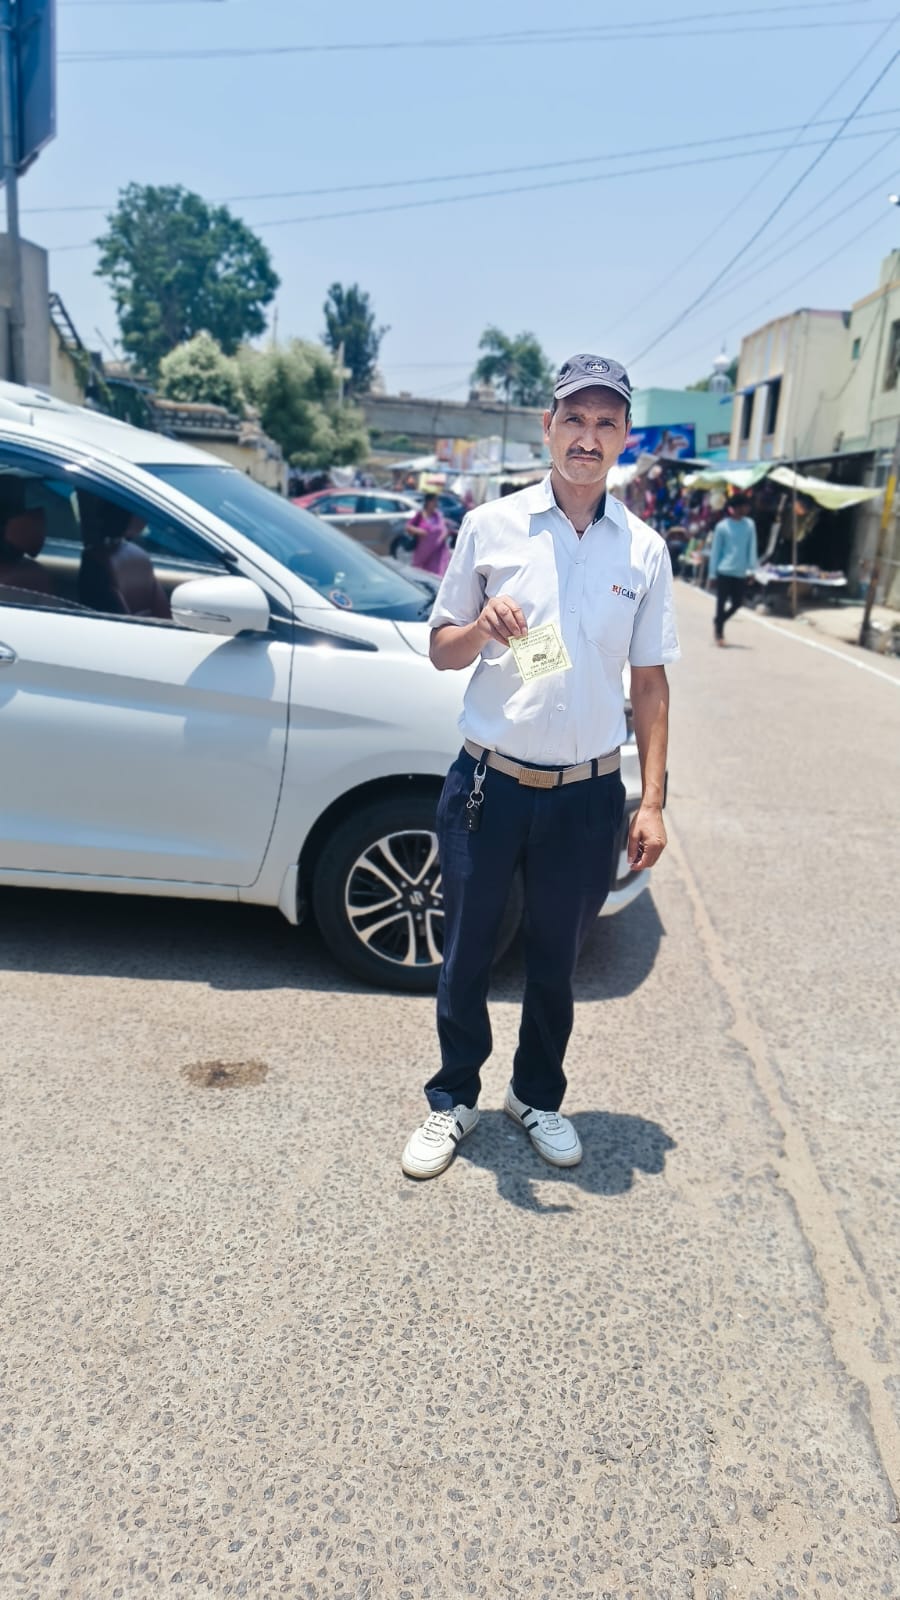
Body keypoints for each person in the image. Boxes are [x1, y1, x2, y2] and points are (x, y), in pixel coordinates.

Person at [401, 354, 680, 1180]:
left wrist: (651, 801)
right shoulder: (492, 527)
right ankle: (454, 1099)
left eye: (605, 423)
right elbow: (442, 651)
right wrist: (480, 628)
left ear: (624, 438)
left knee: (557, 959)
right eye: (574, 419)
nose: (587, 438)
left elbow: (651, 682)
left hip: (586, 794)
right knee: (467, 951)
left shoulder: (645, 550)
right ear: (548, 427)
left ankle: (535, 1097)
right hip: (488, 785)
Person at [708, 491, 758, 646]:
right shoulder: (722, 527)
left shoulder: (749, 525)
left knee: (738, 603)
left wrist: (752, 570)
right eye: (744, 506)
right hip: (724, 571)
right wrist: (712, 574)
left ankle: (719, 620)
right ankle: (719, 633)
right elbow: (716, 551)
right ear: (736, 508)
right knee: (721, 603)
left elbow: (752, 548)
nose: (746, 509)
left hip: (740, 571)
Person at [405, 492, 451, 577]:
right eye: (434, 501)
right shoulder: (420, 515)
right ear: (428, 502)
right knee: (419, 574)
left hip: (436, 553)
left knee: (433, 576)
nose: (436, 503)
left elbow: (443, 529)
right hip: (422, 552)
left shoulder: (437, 515)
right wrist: (419, 531)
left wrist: (441, 538)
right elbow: (408, 526)